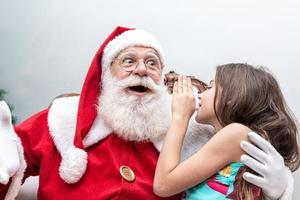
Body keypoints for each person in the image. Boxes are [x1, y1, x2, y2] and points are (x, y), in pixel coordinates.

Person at [0, 27, 294, 199]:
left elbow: (243, 176)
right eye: (128, 61)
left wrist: (281, 190)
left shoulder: (194, 130)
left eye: (152, 64)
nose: (141, 69)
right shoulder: (62, 119)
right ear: (106, 75)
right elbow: (10, 161)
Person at [154, 63, 299, 199]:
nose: (200, 93)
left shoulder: (236, 134)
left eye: (211, 86)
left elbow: (163, 185)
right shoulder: (236, 137)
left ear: (231, 97)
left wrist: (180, 116)